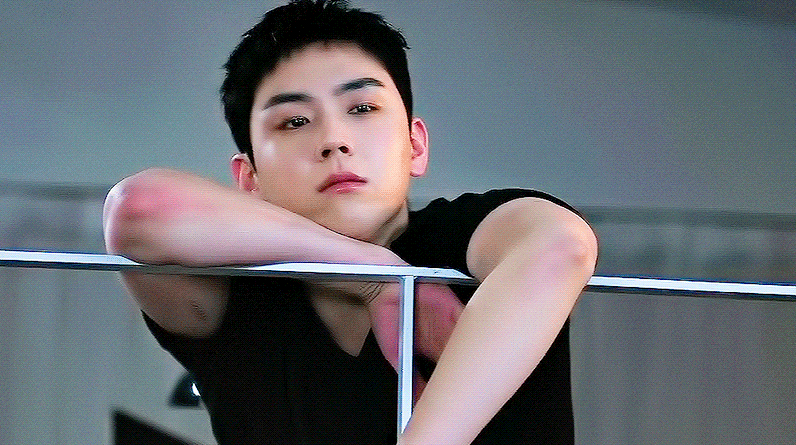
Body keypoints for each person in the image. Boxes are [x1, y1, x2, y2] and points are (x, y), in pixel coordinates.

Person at [102, 1, 597, 443]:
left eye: (362, 108)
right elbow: (138, 209)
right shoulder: (238, 291)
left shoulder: (470, 230)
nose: (333, 140)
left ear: (415, 145)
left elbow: (559, 248)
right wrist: (374, 277)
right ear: (248, 178)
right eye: (294, 121)